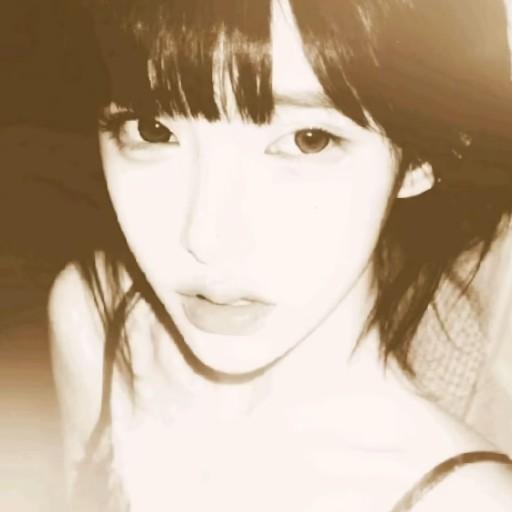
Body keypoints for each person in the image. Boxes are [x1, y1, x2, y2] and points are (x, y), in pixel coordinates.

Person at [48, 0, 512, 510]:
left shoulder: (465, 501)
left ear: (420, 157)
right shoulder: (100, 318)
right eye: (152, 130)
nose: (207, 238)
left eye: (308, 141)